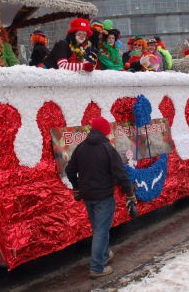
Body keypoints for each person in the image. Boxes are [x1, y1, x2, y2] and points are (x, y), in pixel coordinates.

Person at [65, 117, 136, 278]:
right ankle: (97, 268)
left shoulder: (81, 147)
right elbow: (121, 174)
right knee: (101, 231)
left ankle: (103, 255)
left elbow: (70, 169)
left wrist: (76, 186)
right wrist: (130, 193)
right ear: (104, 131)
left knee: (99, 228)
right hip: (103, 196)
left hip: (87, 196)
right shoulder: (108, 149)